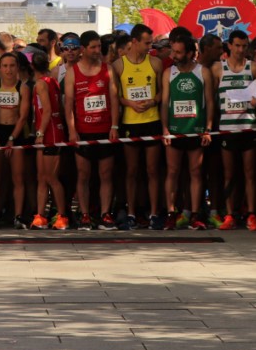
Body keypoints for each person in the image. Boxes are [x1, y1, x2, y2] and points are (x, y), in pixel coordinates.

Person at [111, 24, 165, 229]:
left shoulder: (156, 63)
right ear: (134, 42)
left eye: (151, 42)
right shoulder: (118, 65)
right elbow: (116, 96)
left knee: (152, 170)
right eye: (147, 43)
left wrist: (153, 102)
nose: (150, 46)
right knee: (131, 170)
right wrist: (130, 103)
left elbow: (162, 92)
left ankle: (153, 213)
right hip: (130, 124)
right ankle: (131, 212)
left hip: (152, 121)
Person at [210, 29, 256, 230]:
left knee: (249, 173)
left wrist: (255, 102)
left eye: (244, 46)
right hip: (227, 129)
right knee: (229, 174)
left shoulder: (254, 67)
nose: (241, 50)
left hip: (249, 128)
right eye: (237, 46)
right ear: (230, 46)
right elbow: (212, 99)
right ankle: (229, 214)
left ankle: (251, 214)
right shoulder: (218, 68)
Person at [65, 30, 118, 231]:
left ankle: (105, 215)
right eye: (93, 47)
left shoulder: (108, 69)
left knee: (106, 174)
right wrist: (72, 130)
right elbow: (68, 104)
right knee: (83, 174)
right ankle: (85, 214)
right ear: (83, 49)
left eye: (99, 47)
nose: (97, 50)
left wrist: (114, 126)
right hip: (83, 131)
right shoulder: (73, 72)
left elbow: (114, 99)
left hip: (105, 129)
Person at [161, 33, 212, 229]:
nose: (174, 55)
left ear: (190, 53)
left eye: (178, 52)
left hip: (196, 130)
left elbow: (208, 102)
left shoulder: (202, 72)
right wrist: (165, 128)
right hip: (174, 130)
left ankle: (196, 214)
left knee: (195, 172)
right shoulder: (169, 73)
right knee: (172, 172)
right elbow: (165, 103)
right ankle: (171, 212)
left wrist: (207, 128)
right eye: (173, 51)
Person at [0, 50, 30, 230]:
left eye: (12, 66)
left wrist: (12, 138)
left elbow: (23, 116)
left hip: (16, 132)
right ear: (0, 68)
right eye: (5, 66)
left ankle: (18, 216)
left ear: (17, 68)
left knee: (17, 177)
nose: (8, 70)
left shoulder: (23, 88)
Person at [29, 48, 68, 230]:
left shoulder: (41, 84)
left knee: (52, 178)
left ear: (31, 66)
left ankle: (62, 217)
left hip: (49, 134)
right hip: (52, 132)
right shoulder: (52, 80)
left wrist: (40, 134)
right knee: (41, 177)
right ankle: (40, 216)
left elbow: (47, 111)